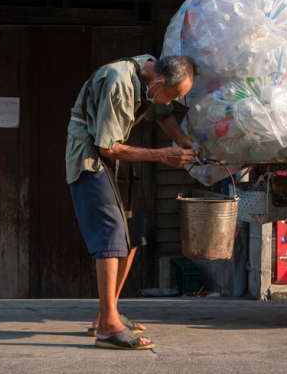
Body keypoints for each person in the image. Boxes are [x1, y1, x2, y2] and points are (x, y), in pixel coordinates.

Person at [66, 54, 200, 350]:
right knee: (111, 234)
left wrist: (182, 140)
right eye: (173, 95)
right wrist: (163, 155)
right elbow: (108, 147)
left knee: (133, 233)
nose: (169, 102)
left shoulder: (151, 74)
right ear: (161, 81)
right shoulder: (119, 83)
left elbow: (161, 113)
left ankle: (106, 313)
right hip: (91, 157)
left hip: (114, 155)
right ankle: (108, 329)